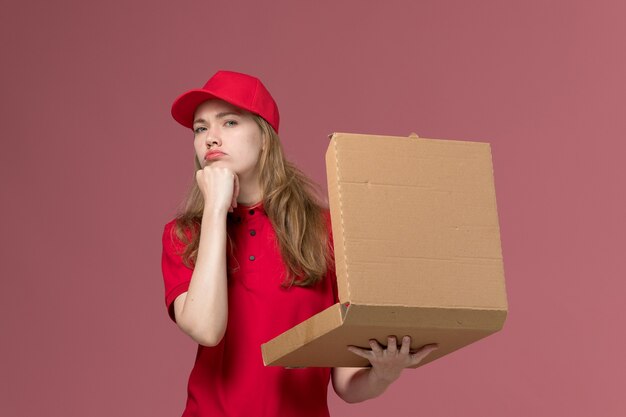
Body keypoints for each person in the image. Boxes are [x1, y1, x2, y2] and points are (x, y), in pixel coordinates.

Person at [161, 70, 438, 417]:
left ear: (264, 137)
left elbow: (346, 382)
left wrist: (383, 374)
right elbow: (206, 328)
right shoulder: (184, 235)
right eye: (200, 128)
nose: (210, 139)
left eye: (229, 123)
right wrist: (215, 210)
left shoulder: (326, 231)